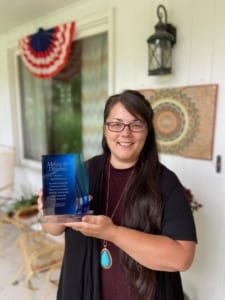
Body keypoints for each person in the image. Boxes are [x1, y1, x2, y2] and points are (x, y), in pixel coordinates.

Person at [37, 90, 197, 300]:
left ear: (147, 132)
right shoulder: (81, 171)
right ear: (105, 129)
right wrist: (50, 213)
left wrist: (112, 233)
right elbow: (52, 229)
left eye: (136, 124)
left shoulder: (165, 182)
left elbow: (181, 258)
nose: (125, 133)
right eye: (116, 124)